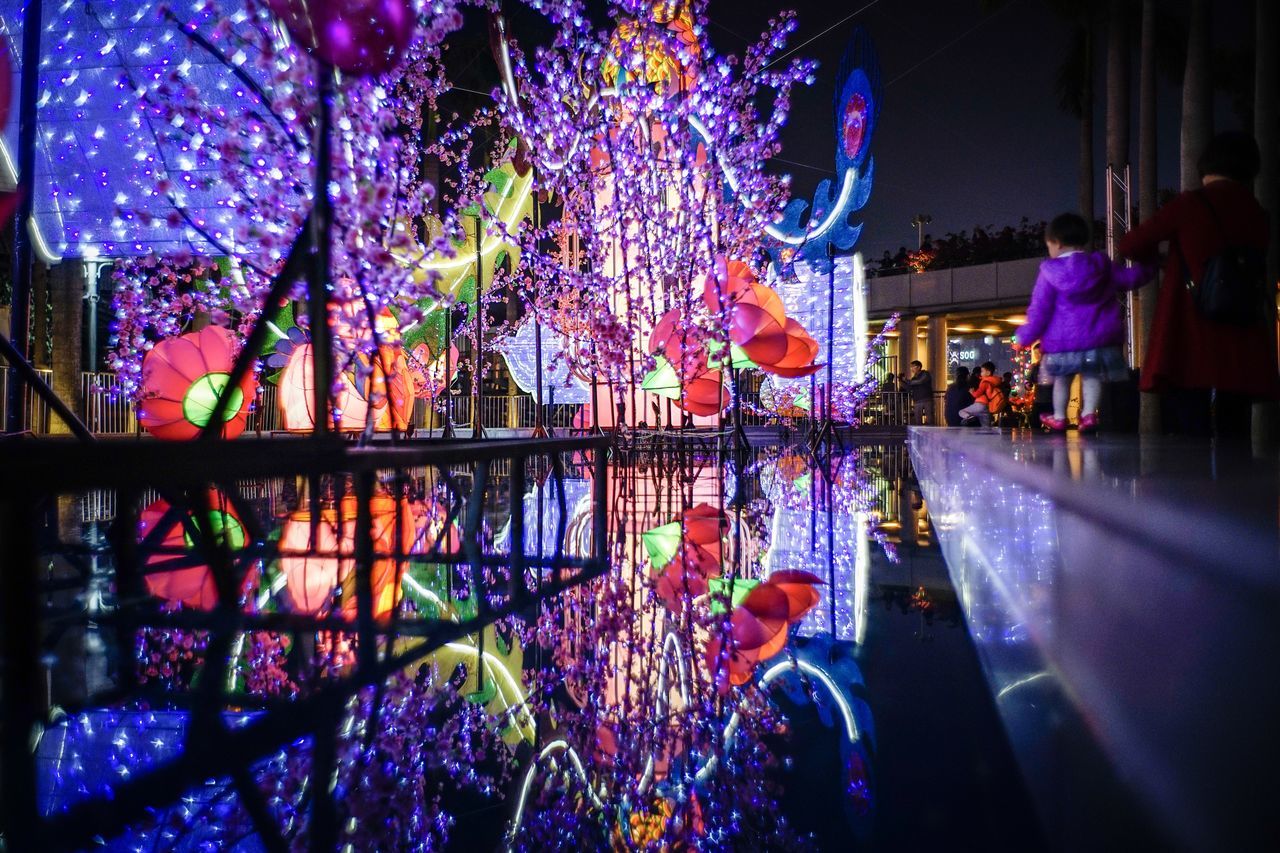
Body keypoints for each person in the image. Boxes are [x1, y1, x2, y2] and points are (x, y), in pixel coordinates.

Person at [1117, 131, 1278, 440]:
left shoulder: (1190, 204)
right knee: (1236, 430)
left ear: (1206, 165)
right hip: (1242, 325)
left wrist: (1161, 259)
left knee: (1191, 429)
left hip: (1191, 324)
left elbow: (1130, 244)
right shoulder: (1259, 214)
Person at [1015, 212, 1151, 434]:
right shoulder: (1100, 265)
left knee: (1062, 379)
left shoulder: (1049, 272)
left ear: (1056, 243)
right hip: (1097, 341)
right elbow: (1128, 279)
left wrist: (1025, 334)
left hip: (1062, 343)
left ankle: (1059, 417)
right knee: (1092, 376)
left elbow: (1040, 309)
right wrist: (1149, 266)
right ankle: (1088, 414)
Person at [958, 362, 1004, 427]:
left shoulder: (985, 382)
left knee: (961, 412)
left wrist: (972, 392)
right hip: (987, 407)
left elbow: (977, 394)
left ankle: (969, 417)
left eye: (982, 371)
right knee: (986, 427)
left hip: (979, 404)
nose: (981, 373)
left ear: (988, 373)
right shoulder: (994, 382)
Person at [903, 359, 934, 425]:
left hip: (926, 399)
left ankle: (931, 432)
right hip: (917, 400)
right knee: (918, 419)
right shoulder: (913, 378)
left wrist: (907, 381)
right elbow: (909, 388)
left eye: (913, 367)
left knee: (929, 418)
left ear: (919, 367)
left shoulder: (925, 374)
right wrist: (903, 382)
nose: (911, 369)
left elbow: (920, 381)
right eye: (911, 367)